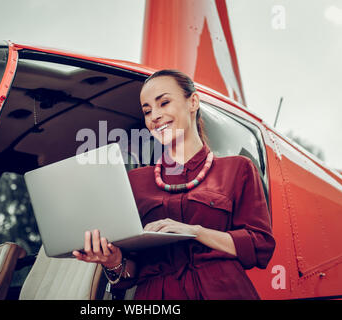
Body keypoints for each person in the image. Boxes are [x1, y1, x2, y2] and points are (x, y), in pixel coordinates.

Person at [72, 69, 275, 299]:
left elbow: (260, 246)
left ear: (193, 102)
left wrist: (194, 232)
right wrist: (113, 262)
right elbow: (132, 272)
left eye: (164, 103)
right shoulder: (135, 181)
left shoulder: (238, 169)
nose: (154, 116)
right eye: (147, 111)